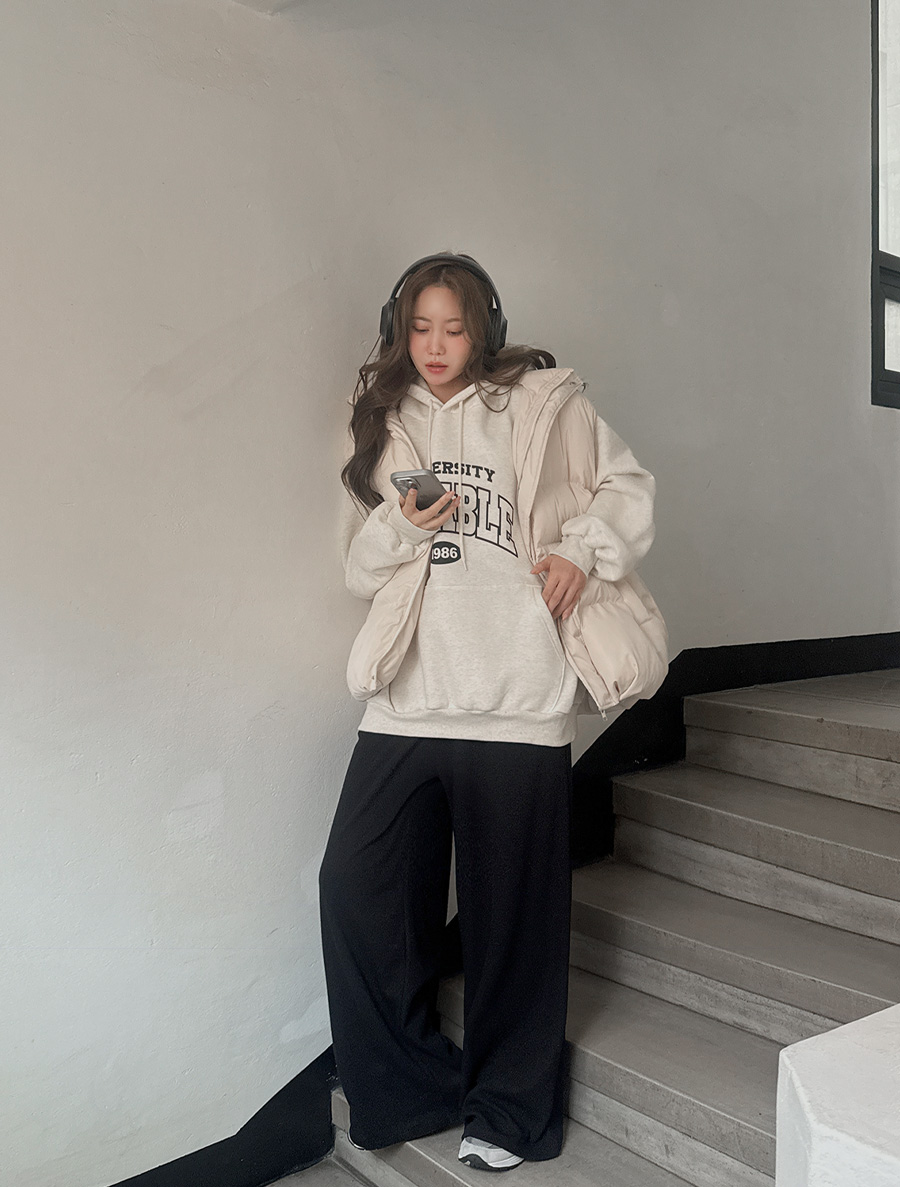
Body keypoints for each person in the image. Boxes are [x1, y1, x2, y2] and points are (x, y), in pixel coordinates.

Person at [319, 252, 662, 1173]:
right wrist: (402, 525)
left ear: (485, 329)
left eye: (454, 327)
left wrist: (582, 550)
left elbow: (627, 487)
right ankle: (411, 1086)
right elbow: (357, 567)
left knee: (514, 922)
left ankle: (509, 1112)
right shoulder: (385, 422)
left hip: (517, 698)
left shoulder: (544, 403)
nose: (435, 346)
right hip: (408, 698)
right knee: (355, 891)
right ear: (400, 331)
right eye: (419, 328)